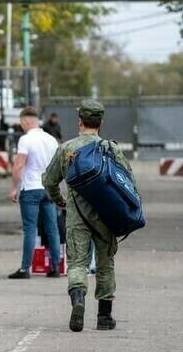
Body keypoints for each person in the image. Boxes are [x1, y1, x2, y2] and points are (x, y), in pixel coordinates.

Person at [43, 99, 135, 332]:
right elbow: (128, 181)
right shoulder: (111, 148)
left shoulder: (67, 148)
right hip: (107, 216)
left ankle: (78, 301)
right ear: (101, 122)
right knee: (105, 265)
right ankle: (104, 317)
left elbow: (49, 180)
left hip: (77, 217)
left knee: (77, 262)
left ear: (80, 121)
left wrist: (59, 201)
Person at [8, 106, 61, 279]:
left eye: (21, 122)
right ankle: (54, 267)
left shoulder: (25, 139)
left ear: (26, 121)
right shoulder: (51, 140)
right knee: (52, 229)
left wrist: (14, 187)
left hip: (31, 188)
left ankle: (25, 269)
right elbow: (58, 166)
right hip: (48, 189)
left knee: (30, 229)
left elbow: (18, 165)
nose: (21, 126)